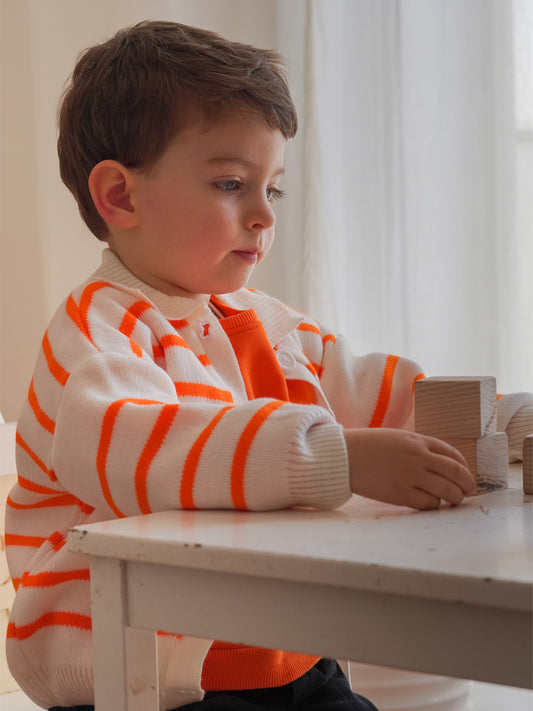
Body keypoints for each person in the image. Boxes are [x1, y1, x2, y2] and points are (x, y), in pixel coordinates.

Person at [5, 20, 532, 711]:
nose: (261, 215)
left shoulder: (267, 323)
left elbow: (395, 398)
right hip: (149, 673)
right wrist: (334, 457)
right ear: (120, 197)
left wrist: (513, 419)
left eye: (272, 189)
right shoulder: (97, 330)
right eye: (231, 183)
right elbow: (145, 449)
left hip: (286, 653)